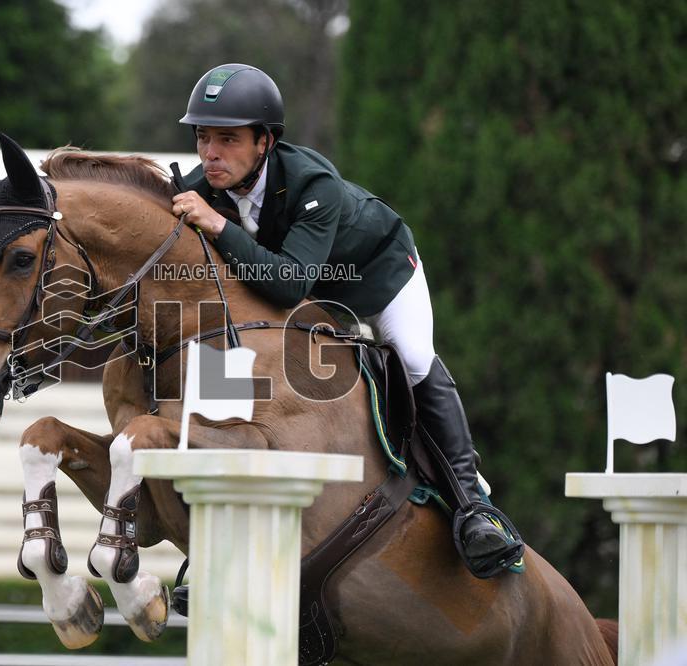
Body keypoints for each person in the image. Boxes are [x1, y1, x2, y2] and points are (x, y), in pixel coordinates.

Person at [171, 63, 520, 579]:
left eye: (228, 139)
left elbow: (290, 282)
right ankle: (214, 538)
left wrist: (220, 225)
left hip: (376, 276)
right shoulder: (204, 189)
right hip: (304, 296)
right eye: (203, 138)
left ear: (265, 141)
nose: (211, 154)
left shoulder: (314, 184)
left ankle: (474, 508)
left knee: (414, 357)